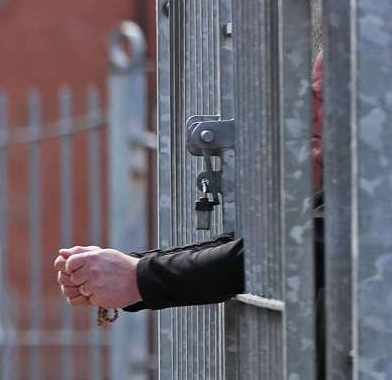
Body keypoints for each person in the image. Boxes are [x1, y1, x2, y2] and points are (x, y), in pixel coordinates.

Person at [55, 51, 323, 313]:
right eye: (312, 97)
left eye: (327, 99)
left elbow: (288, 251)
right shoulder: (341, 195)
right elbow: (259, 246)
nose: (309, 114)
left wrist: (137, 277)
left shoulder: (361, 206)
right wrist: (133, 268)